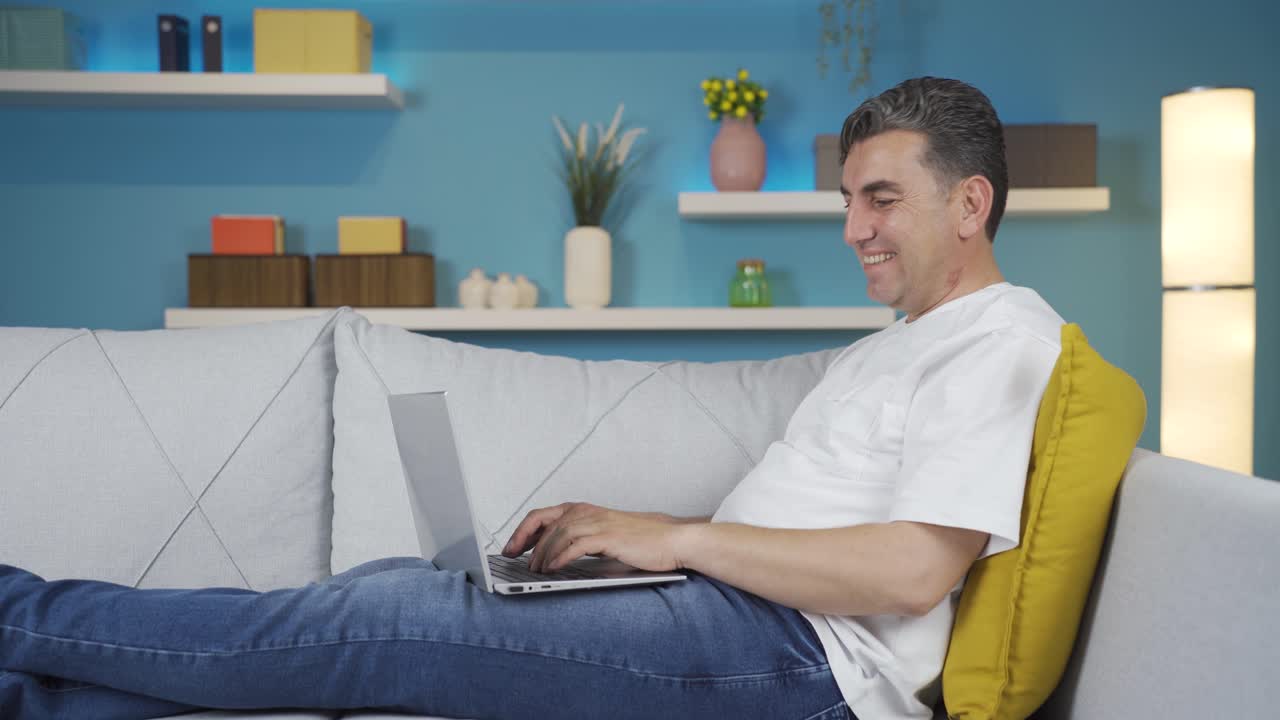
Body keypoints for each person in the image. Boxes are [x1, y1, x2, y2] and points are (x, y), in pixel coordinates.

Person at [0, 76, 1065, 720]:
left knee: (392, 617)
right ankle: (31, 691)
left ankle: (16, 610)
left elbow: (915, 566)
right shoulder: (903, 341)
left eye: (880, 198)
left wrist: (673, 537)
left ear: (968, 202)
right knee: (387, 584)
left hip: (800, 670)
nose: (851, 229)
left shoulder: (999, 341)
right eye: (846, 200)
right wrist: (633, 551)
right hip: (741, 622)